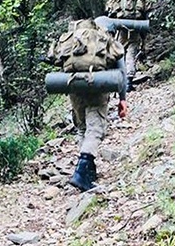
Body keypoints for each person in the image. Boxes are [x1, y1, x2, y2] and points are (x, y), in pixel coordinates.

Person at [46, 19, 128, 191]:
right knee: (96, 128)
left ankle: (87, 170)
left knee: (82, 127)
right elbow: (121, 68)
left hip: (73, 86)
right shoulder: (103, 38)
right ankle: (83, 170)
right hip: (97, 85)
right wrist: (123, 98)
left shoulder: (70, 39)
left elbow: (55, 60)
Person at [105, 0, 150, 92]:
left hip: (121, 29)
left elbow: (110, 13)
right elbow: (145, 14)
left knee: (119, 53)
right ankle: (129, 82)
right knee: (131, 54)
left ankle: (116, 79)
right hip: (134, 29)